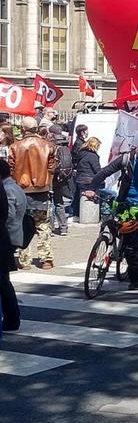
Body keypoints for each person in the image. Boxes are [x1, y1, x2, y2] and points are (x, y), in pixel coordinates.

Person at [88, 144, 138, 291]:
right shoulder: (126, 159)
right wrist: (91, 188)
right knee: (131, 245)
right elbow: (106, 171)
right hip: (127, 205)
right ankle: (135, 279)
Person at [9, 116, 57, 270]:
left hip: (21, 190)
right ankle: (46, 259)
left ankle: (24, 260)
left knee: (22, 224)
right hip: (41, 190)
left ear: (23, 129)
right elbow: (52, 168)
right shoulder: (47, 145)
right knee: (43, 225)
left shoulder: (15, 146)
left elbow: (11, 168)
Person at [1, 159, 19, 334]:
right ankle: (12, 318)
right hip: (5, 237)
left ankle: (12, 318)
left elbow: (8, 213)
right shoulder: (6, 187)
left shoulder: (6, 189)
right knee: (3, 281)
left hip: (5, 236)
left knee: (2, 282)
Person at [71, 136, 101, 220]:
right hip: (90, 180)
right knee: (91, 199)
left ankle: (76, 215)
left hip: (80, 179)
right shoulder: (92, 156)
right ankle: (91, 218)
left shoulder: (81, 154)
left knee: (78, 198)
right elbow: (97, 169)